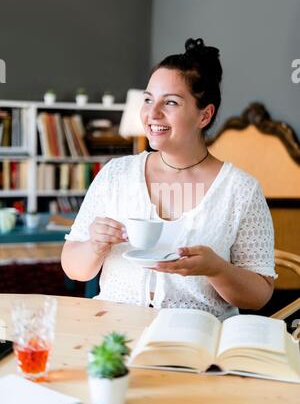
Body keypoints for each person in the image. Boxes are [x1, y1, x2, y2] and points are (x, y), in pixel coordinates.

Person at [61, 37, 276, 320]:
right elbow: (74, 267)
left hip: (197, 338)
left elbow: (259, 295)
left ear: (204, 115)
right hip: (115, 332)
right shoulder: (115, 175)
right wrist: (93, 245)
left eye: (170, 102)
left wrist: (216, 269)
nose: (152, 113)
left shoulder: (241, 190)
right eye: (148, 99)